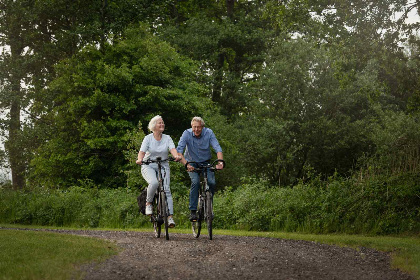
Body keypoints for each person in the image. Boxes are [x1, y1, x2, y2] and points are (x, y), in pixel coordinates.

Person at [136, 115, 181, 228]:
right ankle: (149, 203)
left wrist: (176, 156)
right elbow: (142, 152)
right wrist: (140, 159)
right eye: (159, 123)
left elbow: (172, 149)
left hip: (163, 165)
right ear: (153, 126)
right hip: (148, 165)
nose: (162, 124)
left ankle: (170, 217)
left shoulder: (167, 138)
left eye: (162, 122)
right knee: (154, 183)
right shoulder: (148, 138)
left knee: (166, 190)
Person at [177, 116, 224, 222]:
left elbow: (217, 147)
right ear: (191, 126)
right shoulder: (186, 133)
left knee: (211, 182)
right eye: (194, 127)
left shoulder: (209, 133)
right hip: (191, 163)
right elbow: (179, 151)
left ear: (202, 127)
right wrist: (186, 165)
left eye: (198, 127)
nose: (196, 129)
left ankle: (209, 206)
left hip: (206, 162)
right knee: (196, 182)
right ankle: (193, 211)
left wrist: (220, 162)